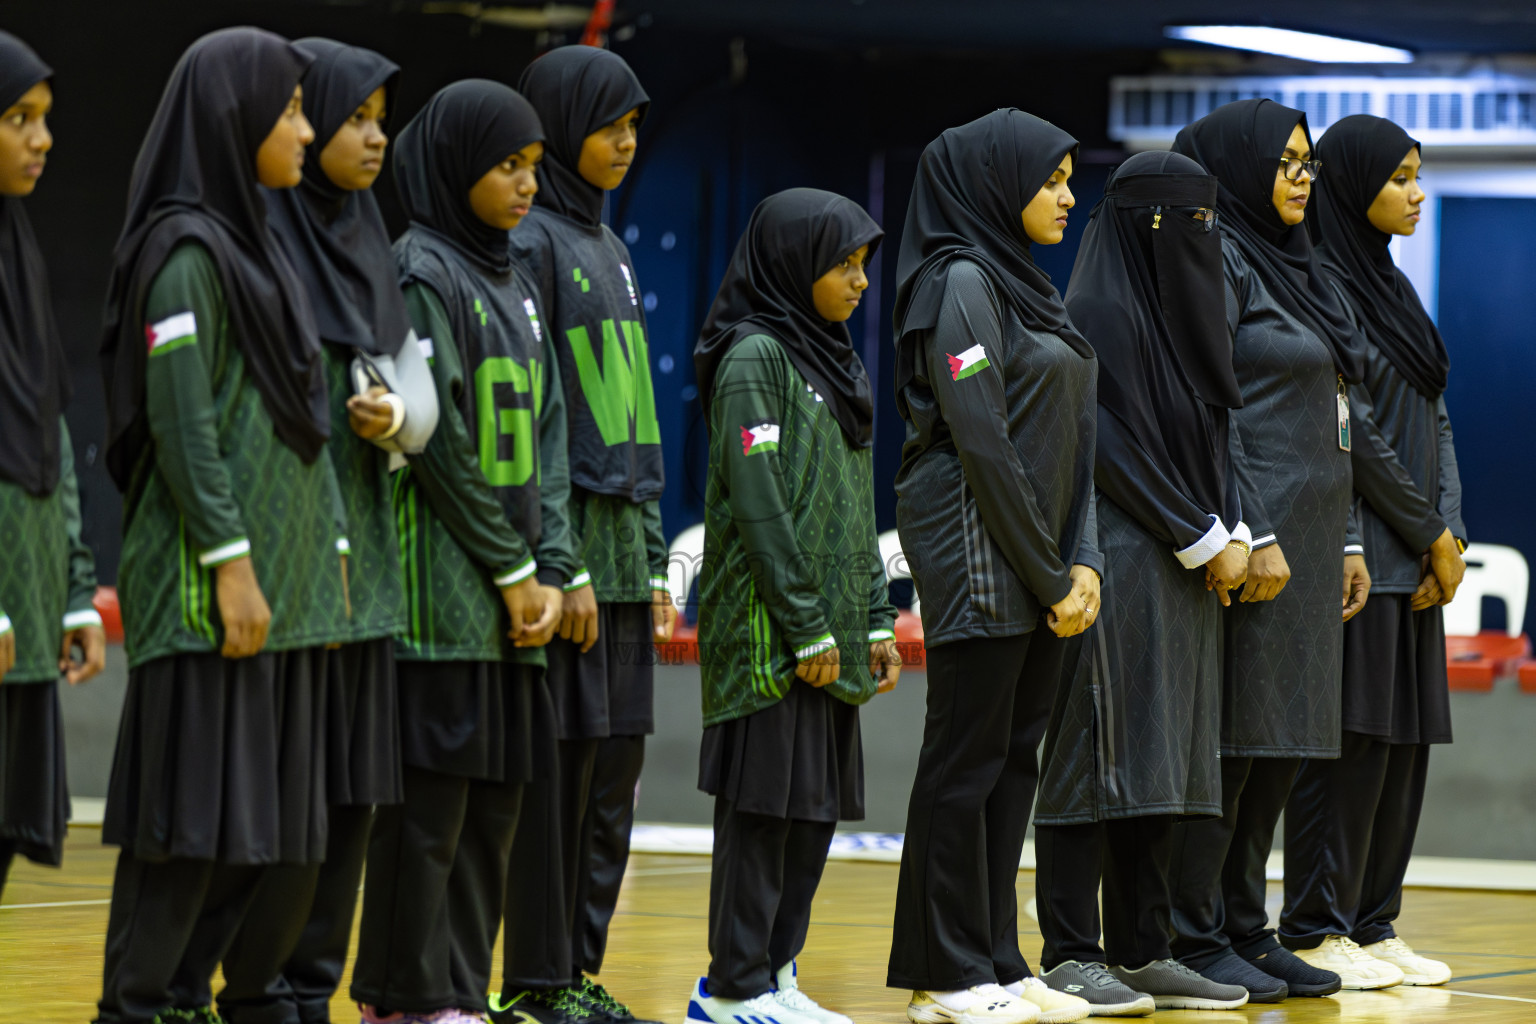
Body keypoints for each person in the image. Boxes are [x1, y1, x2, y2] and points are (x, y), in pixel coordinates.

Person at [94, 27, 344, 1024]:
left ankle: (183, 1002)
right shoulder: (183, 254)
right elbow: (183, 422)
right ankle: (138, 1007)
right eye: (288, 108)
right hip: (210, 596)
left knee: (262, 837)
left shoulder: (263, 249)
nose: (308, 127)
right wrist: (233, 567)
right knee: (186, 831)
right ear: (233, 117)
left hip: (283, 599)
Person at [216, 37, 440, 1024]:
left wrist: (399, 418)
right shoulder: (254, 241)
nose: (368, 138)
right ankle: (253, 987)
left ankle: (313, 986)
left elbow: (420, 395)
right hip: (287, 566)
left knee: (354, 795)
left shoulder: (368, 242)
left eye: (377, 122)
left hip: (367, 569)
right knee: (287, 798)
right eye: (353, 118)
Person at [348, 79, 577, 1024]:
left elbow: (553, 433)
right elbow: (431, 439)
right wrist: (513, 568)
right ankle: (401, 995)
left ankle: (457, 992)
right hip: (444, 603)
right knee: (428, 817)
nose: (525, 185)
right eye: (505, 166)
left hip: (518, 605)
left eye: (532, 167)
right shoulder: (418, 269)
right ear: (454, 166)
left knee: (496, 811)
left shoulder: (517, 278)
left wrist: (556, 566)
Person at [885, 108, 1099, 1024]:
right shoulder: (959, 283)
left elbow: (1077, 439)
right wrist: (1052, 578)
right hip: (978, 549)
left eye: (1067, 177)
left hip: (1044, 561)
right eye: (1049, 180)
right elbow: (983, 442)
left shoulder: (1025, 288)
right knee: (964, 761)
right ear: (996, 185)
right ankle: (942, 967)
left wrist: (1080, 560)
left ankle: (995, 957)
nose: (1067, 194)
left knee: (1015, 760)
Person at [1032, 151, 1255, 1014]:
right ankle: (1069, 948)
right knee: (1098, 751)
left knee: (1163, 756)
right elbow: (1109, 450)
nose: (1205, 235)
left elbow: (1216, 427)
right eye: (1187, 219)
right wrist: (1202, 535)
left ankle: (1140, 948)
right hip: (1123, 555)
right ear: (1146, 224)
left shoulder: (1185, 312)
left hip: (1191, 564)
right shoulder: (1094, 310)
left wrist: (1228, 526)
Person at [1163, 98, 1366, 1001]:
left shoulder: (1301, 264)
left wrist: (1352, 534)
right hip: (1260, 543)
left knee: (1286, 743)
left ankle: (1247, 923)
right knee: (1239, 741)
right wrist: (1260, 527)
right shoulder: (1220, 257)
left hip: (1320, 541)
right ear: (1242, 166)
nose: (1299, 177)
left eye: (1308, 163)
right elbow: (1215, 408)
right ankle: (1196, 928)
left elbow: (1337, 412)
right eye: (1284, 161)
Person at [685, 186, 901, 1024]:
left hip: (834, 638)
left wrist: (876, 616)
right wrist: (806, 622)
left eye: (862, 265)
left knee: (810, 819)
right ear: (790, 262)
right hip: (770, 637)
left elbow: (853, 506)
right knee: (763, 819)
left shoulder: (836, 361)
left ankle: (774, 977)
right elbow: (758, 500)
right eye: (841, 264)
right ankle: (729, 987)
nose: (858, 282)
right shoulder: (752, 358)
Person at [494, 46, 675, 1024]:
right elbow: (544, 422)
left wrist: (646, 552)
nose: (626, 144)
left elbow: (635, 418)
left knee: (613, 777)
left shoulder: (612, 247)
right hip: (567, 554)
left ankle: (579, 969)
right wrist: (555, 558)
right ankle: (534, 978)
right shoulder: (531, 244)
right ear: (563, 124)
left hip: (622, 555)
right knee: (558, 779)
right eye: (611, 124)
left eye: (636, 127)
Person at [1279, 113, 1467, 989]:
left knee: (1401, 751)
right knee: (1346, 749)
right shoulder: (1326, 288)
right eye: (1400, 178)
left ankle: (1373, 921)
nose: (1417, 193)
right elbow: (1356, 441)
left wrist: (1451, 529)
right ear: (1358, 188)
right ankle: (1317, 928)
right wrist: (1424, 531)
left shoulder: (1394, 290)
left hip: (1419, 568)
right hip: (1364, 564)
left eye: (1419, 176)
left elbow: (1433, 417)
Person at [0, 28, 107, 899]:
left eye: (43, 119)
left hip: (27, 602)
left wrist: (74, 588)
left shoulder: (18, 251)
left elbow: (50, 431)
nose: (40, 140)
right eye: (17, 118)